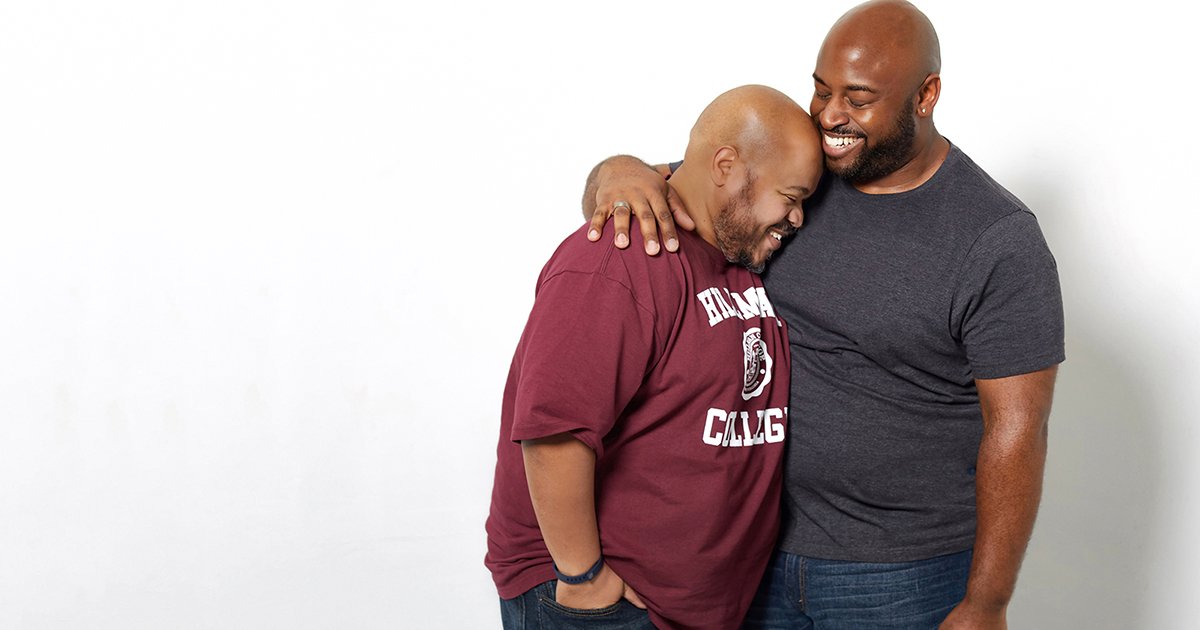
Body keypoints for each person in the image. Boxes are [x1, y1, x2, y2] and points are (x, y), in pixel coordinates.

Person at [580, 2, 1064, 629]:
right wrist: (616, 172)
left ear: (927, 95)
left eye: (858, 99)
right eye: (820, 89)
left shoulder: (996, 238)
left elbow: (1018, 430)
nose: (831, 116)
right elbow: (670, 182)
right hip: (746, 549)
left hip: (901, 572)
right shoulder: (794, 171)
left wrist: (988, 600)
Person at [484, 85, 823, 629]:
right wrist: (583, 578)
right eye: (791, 196)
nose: (799, 218)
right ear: (727, 167)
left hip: (696, 609)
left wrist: (619, 168)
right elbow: (555, 432)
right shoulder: (621, 254)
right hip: (609, 608)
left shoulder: (733, 248)